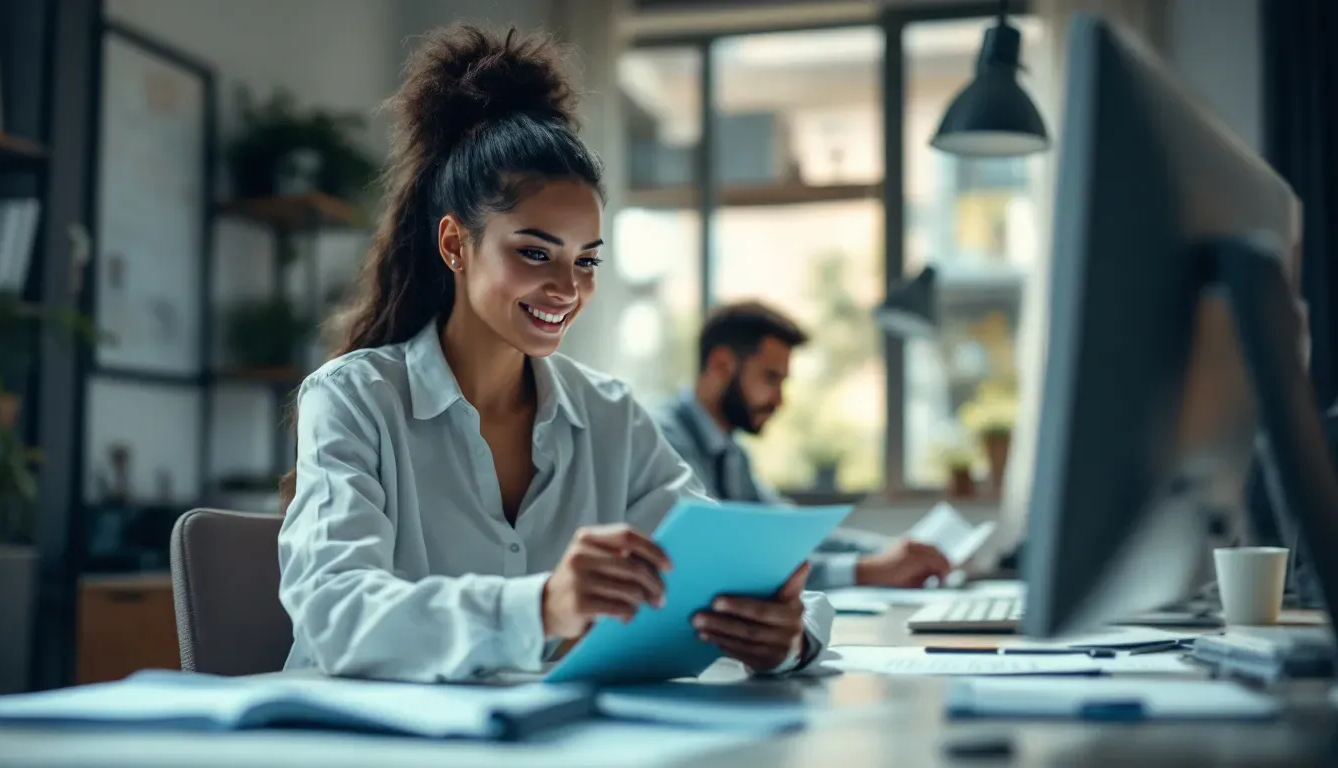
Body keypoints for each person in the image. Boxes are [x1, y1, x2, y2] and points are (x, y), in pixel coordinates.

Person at [276, 25, 831, 683]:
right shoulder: (353, 399)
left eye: (586, 260)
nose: (567, 289)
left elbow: (725, 567)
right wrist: (541, 607)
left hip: (536, 728)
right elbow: (334, 610)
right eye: (535, 253)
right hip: (355, 732)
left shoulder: (608, 415)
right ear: (454, 245)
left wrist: (788, 635)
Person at [656, 301, 952, 591]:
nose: (779, 400)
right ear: (721, 365)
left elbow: (790, 531)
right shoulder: (666, 443)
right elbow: (726, 560)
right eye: (771, 378)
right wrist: (867, 569)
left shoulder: (732, 454)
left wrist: (895, 552)